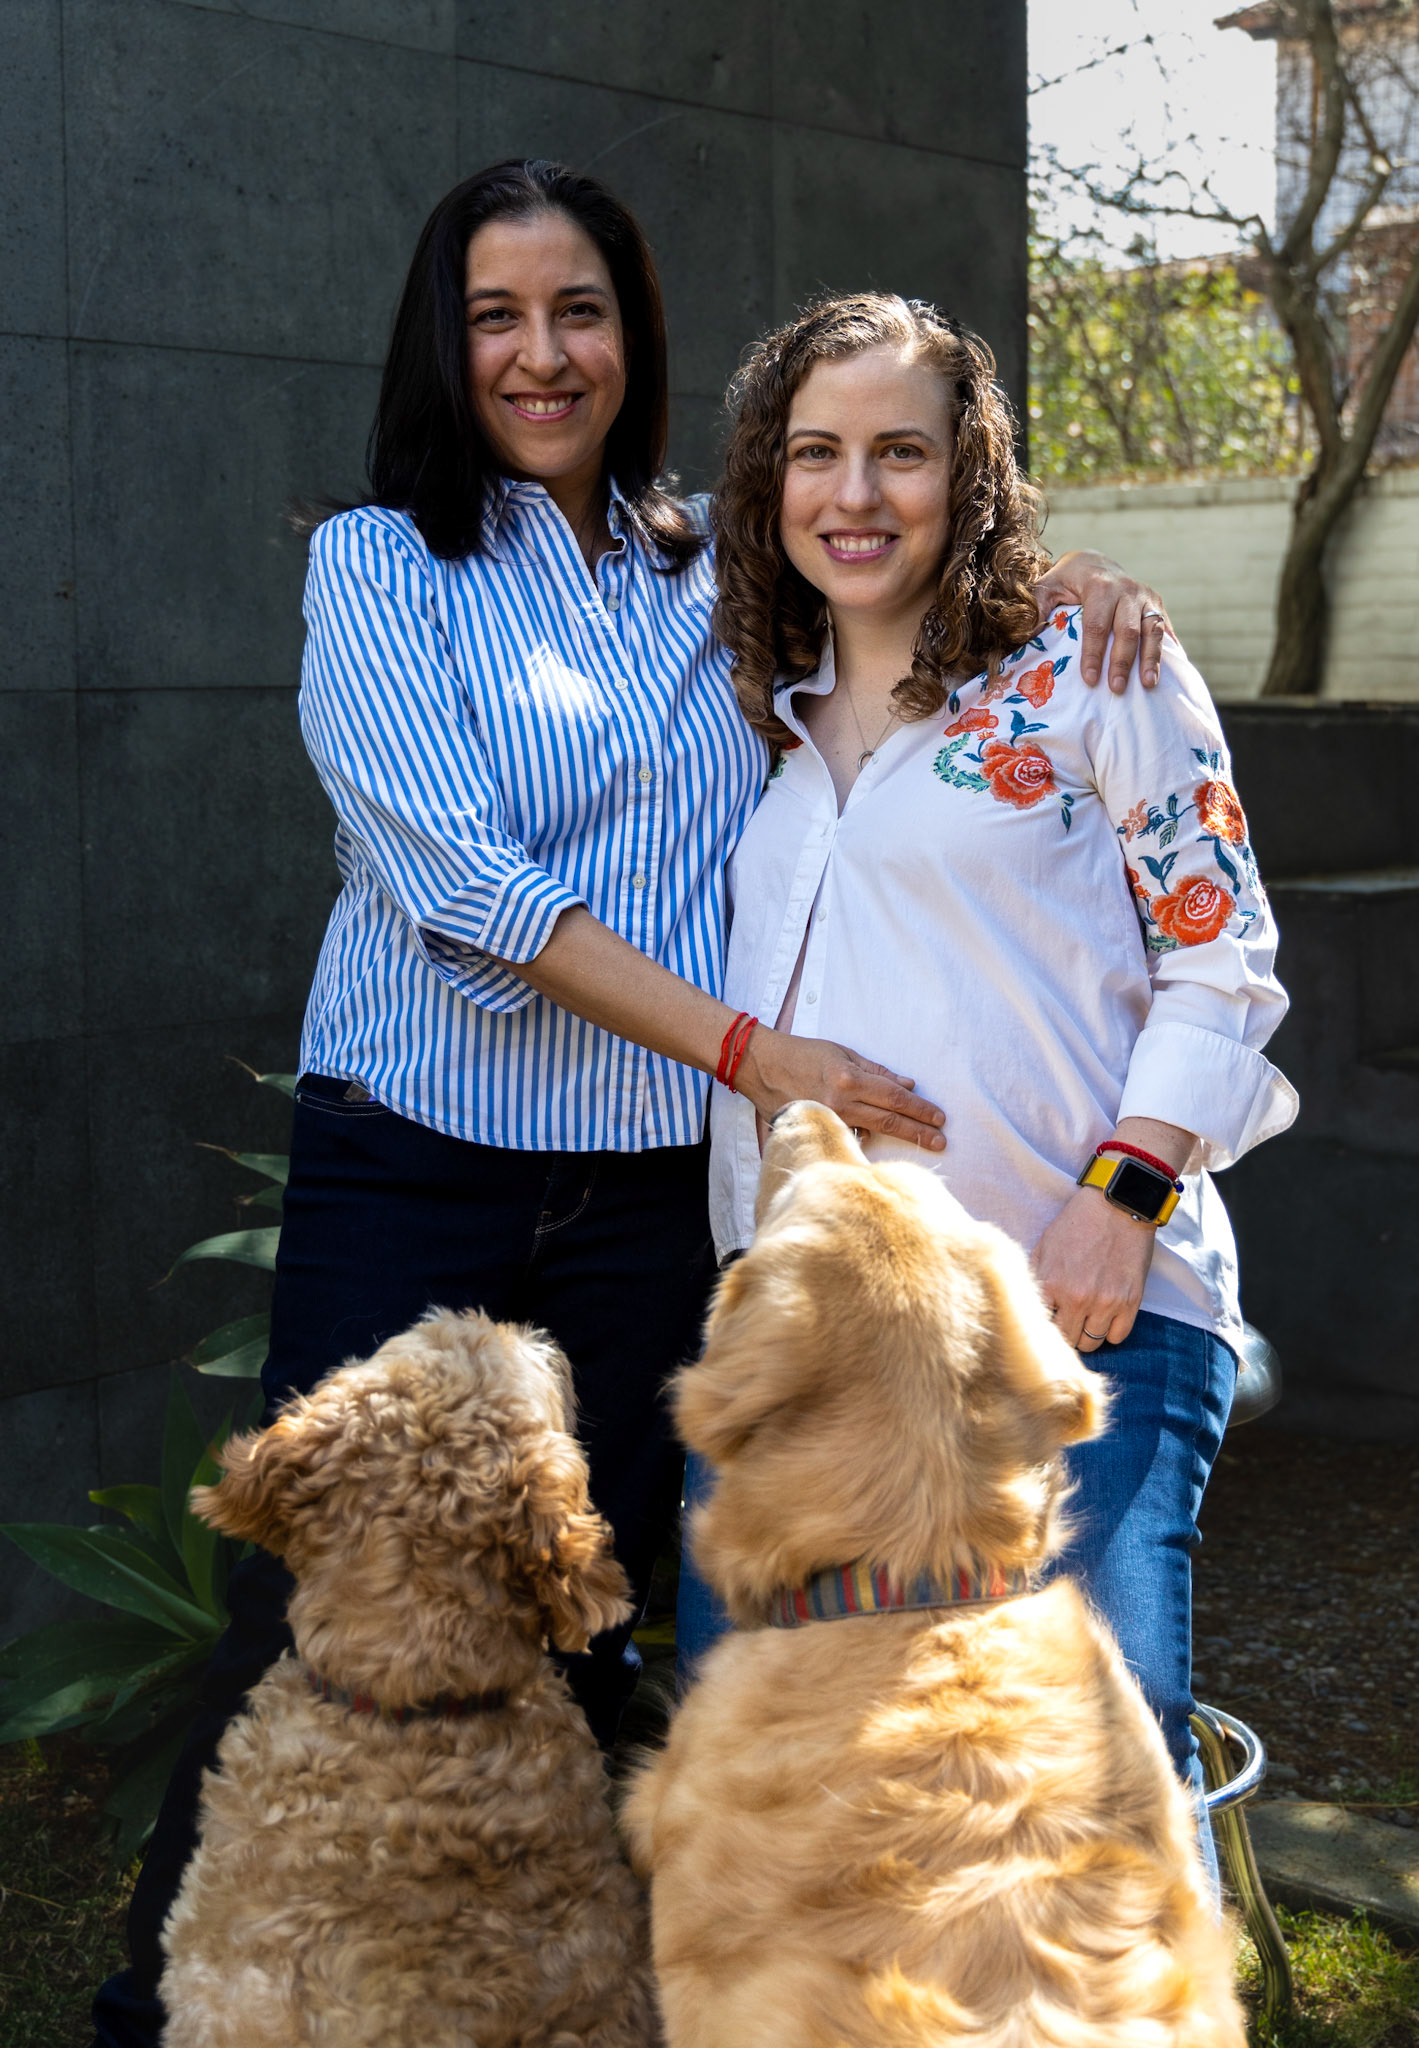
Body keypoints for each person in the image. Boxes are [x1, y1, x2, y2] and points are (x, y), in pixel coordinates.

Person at [92, 163, 1165, 2048]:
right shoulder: (381, 565)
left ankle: (539, 2004)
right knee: (308, 1621)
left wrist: (1070, 592)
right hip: (414, 1165)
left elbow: (900, 577)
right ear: (445, 344)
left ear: (633, 334)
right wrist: (756, 1055)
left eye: (578, 311)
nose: (541, 354)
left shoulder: (712, 569)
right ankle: (162, 2014)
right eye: (496, 317)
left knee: (590, 1624)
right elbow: (463, 888)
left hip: (655, 1195)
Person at [684, 294, 1297, 1825]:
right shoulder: (748, 712)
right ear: (768, 479)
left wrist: (1122, 1199)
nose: (856, 493)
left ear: (971, 473)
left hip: (1075, 1312)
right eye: (814, 453)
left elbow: (1224, 958)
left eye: (902, 451)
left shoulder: (1097, 668)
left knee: (1082, 1783)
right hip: (809, 1337)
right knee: (773, 1789)